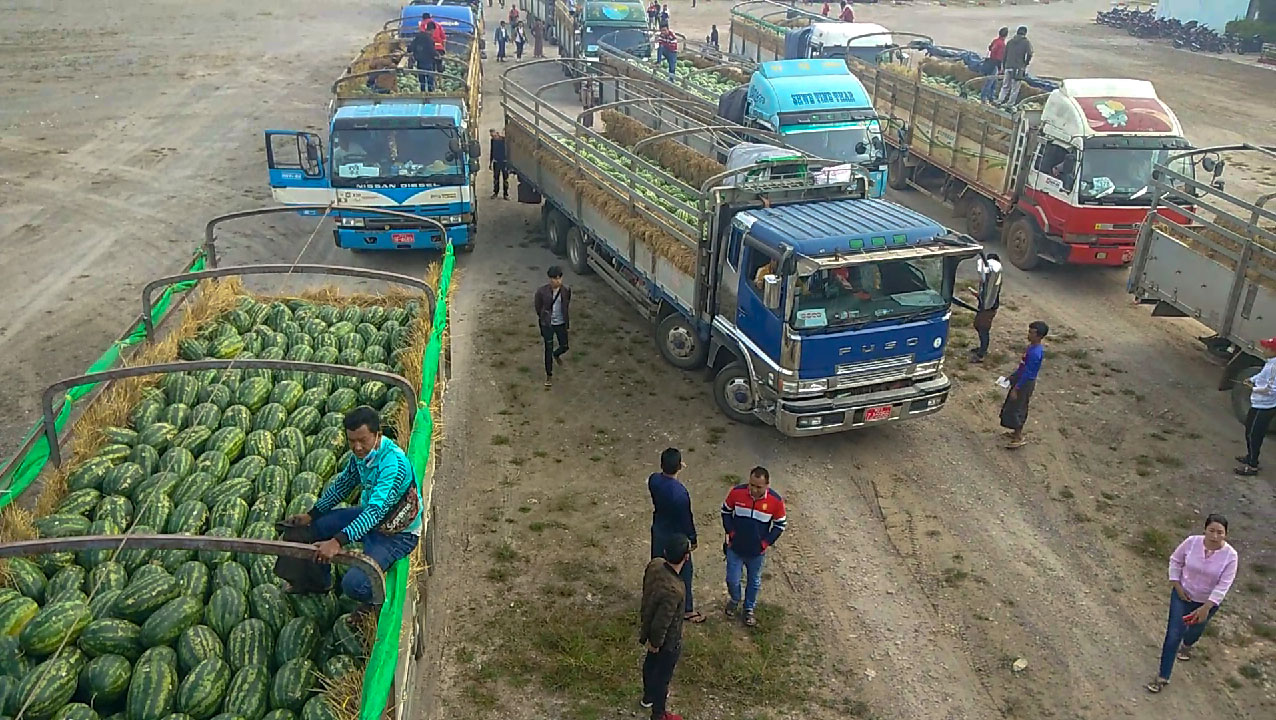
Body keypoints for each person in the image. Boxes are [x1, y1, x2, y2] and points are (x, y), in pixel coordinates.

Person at [286, 406, 421, 617]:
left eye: (362, 440)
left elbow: (375, 512)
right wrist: (312, 514)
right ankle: (318, 583)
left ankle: (375, 606)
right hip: (371, 519)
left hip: (396, 534)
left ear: (377, 435)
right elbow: (344, 484)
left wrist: (337, 541)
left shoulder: (393, 465)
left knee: (354, 584)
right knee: (313, 528)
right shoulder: (362, 456)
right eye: (351, 441)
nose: (357, 447)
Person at [1146, 514, 1238, 694]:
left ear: (1226, 534)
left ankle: (1188, 646)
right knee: (1173, 635)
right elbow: (1175, 560)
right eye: (1211, 531)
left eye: (1220, 532)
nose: (1215, 536)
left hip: (1207, 603)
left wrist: (1206, 607)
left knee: (1195, 630)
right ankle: (1163, 676)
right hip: (1182, 596)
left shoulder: (1231, 556)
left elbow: (1224, 584)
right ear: (1205, 529)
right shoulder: (1191, 542)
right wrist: (1176, 585)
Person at [720, 467, 786, 628]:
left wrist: (764, 543)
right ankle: (735, 599)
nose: (754, 490)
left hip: (756, 553)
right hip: (735, 548)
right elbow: (725, 511)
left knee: (754, 581)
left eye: (759, 487)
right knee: (732, 579)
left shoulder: (775, 501)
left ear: (767, 485)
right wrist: (731, 533)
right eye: (752, 485)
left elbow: (780, 525)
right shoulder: (737, 493)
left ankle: (748, 609)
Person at [648, 448, 705, 624]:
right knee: (684, 571)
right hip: (676, 536)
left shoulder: (653, 480)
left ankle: (654, 597)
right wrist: (692, 538)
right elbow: (686, 519)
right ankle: (687, 609)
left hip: (659, 529)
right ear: (680, 466)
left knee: (658, 566)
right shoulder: (680, 493)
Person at [639, 533, 690, 720]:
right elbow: (663, 622)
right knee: (662, 678)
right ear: (686, 557)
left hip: (648, 622)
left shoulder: (655, 564)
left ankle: (648, 697)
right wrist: (656, 643)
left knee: (650, 664)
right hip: (668, 641)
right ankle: (659, 714)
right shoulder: (675, 589)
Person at [1000, 320, 1047, 449]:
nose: (1028, 335)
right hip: (1021, 380)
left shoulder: (1035, 353)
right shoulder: (1032, 347)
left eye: (1032, 333)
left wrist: (1017, 388)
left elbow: (1028, 373)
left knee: (1018, 409)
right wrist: (1013, 376)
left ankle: (1018, 437)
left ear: (1039, 336)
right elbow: (1023, 367)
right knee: (1013, 406)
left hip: (1025, 383)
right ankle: (1015, 432)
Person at [1234, 337, 1276, 475]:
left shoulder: (1274, 367)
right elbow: (1262, 376)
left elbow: (1271, 390)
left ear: (1273, 351)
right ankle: (1250, 456)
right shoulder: (1270, 364)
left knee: (1254, 435)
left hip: (1265, 406)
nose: (1264, 350)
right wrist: (1252, 379)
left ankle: (1252, 465)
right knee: (1249, 431)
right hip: (1258, 403)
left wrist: (1253, 388)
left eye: (1267, 348)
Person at [952, 254, 1003, 363]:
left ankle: (982, 354)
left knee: (983, 329)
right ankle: (982, 348)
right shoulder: (988, 280)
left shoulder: (993, 281)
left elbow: (989, 297)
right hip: (984, 307)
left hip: (988, 309)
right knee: (979, 326)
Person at [533, 266, 571, 386]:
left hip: (561, 323)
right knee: (548, 349)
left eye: (560, 278)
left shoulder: (566, 290)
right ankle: (549, 375)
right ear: (550, 279)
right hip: (548, 324)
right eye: (555, 278)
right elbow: (538, 306)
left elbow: (566, 305)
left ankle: (557, 354)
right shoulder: (542, 292)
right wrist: (544, 317)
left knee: (565, 345)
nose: (558, 281)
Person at [997, 26, 1032, 106]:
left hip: (1008, 66)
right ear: (1025, 33)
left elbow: (1004, 55)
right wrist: (1025, 63)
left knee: (1005, 86)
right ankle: (1009, 104)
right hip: (1018, 68)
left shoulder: (1010, 42)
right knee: (1015, 88)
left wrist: (1004, 66)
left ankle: (999, 101)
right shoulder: (1026, 42)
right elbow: (1029, 54)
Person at [980, 27, 1008, 104]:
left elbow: (990, 48)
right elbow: (999, 57)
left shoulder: (995, 41)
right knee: (990, 82)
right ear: (1006, 35)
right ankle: (984, 97)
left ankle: (990, 97)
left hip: (990, 62)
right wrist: (1000, 68)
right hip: (995, 64)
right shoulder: (1002, 44)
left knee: (992, 82)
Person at [489, 129, 508, 200]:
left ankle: (505, 194)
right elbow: (492, 151)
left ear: (496, 133)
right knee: (496, 179)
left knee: (505, 179)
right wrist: (490, 162)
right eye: (491, 136)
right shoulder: (492, 141)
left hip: (504, 161)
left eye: (493, 135)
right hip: (496, 162)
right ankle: (495, 193)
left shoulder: (503, 140)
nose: (492, 137)